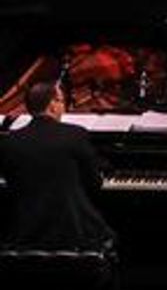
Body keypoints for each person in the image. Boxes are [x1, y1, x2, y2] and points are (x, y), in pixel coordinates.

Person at [0, 80, 114, 250]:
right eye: (62, 101)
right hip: (74, 232)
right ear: (52, 105)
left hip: (24, 232)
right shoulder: (76, 135)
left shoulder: (10, 141)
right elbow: (94, 184)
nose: (63, 108)